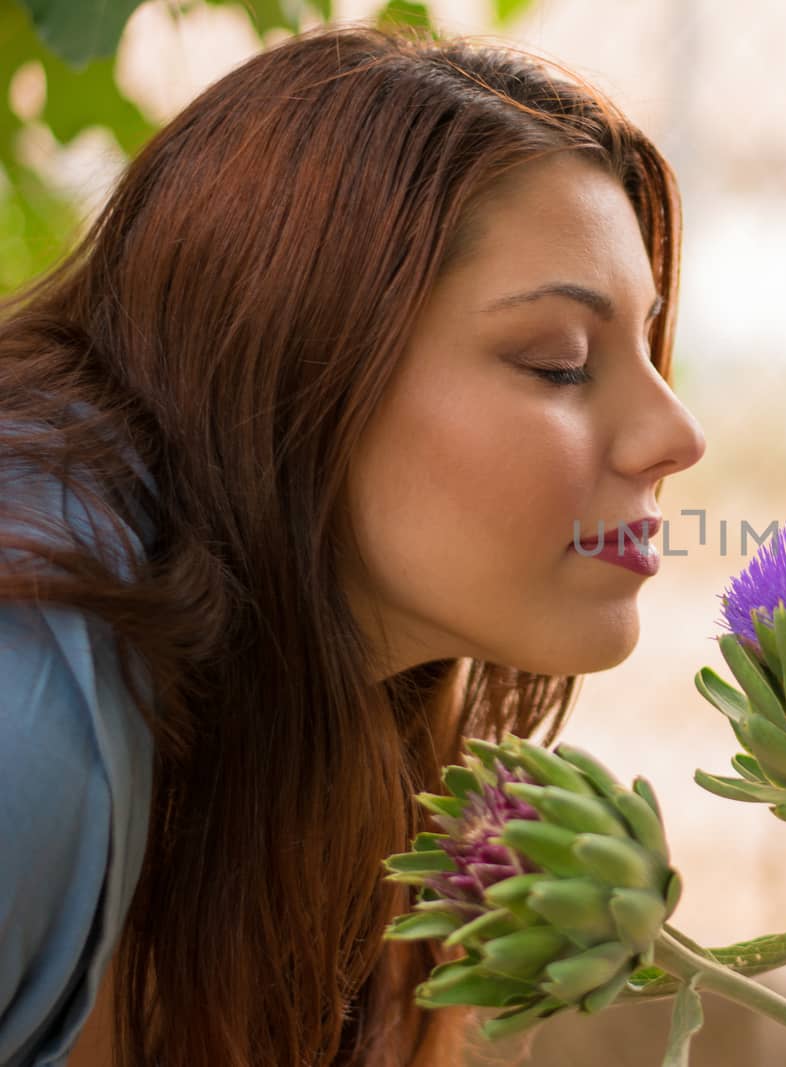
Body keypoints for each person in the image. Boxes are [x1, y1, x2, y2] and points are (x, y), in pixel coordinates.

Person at [0, 20, 706, 1066]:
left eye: (647, 348)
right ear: (293, 365)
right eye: (558, 361)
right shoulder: (30, 690)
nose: (677, 436)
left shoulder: (353, 715)